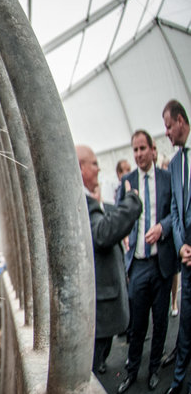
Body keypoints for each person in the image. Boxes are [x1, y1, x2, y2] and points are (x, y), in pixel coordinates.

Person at [117, 130, 176, 393]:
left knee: (161, 321)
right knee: (137, 324)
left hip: (161, 264)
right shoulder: (128, 182)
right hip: (138, 265)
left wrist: (162, 228)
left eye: (143, 148)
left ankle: (154, 370)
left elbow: (175, 212)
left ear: (153, 149)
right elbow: (120, 217)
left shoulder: (166, 178)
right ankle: (131, 372)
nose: (139, 154)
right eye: (135, 150)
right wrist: (125, 237)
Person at [77, 145, 142, 375]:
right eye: (94, 163)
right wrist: (132, 203)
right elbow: (103, 234)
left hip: (102, 301)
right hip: (100, 306)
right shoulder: (82, 202)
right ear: (81, 168)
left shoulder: (85, 200)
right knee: (93, 369)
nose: (98, 168)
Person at [163, 99, 191, 394]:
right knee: (185, 323)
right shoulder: (175, 164)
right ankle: (180, 380)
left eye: (169, 127)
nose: (168, 134)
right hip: (187, 259)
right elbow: (175, 209)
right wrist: (182, 244)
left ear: (181, 121)